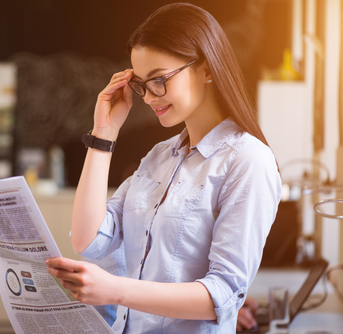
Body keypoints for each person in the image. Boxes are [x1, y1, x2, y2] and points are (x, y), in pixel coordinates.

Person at [46, 3, 282, 333]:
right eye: (141, 84)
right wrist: (104, 134)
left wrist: (116, 290)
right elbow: (88, 240)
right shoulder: (159, 157)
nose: (148, 97)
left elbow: (223, 295)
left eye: (159, 80)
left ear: (206, 68)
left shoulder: (247, 160)